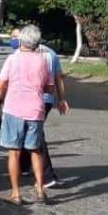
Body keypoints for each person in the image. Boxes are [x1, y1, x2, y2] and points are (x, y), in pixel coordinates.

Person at [0, 25, 54, 205]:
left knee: (14, 152)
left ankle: (16, 194)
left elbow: (1, 85)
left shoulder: (12, 59)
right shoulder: (43, 61)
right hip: (36, 111)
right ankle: (40, 190)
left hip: (14, 110)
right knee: (35, 151)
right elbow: (50, 88)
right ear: (37, 42)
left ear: (20, 41)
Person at [11, 28, 70, 187]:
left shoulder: (22, 53)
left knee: (35, 135)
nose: (14, 40)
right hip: (47, 99)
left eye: (15, 37)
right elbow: (58, 78)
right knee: (25, 130)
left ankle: (47, 175)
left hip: (30, 99)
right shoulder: (51, 53)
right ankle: (24, 167)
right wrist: (61, 99)